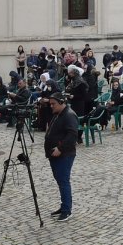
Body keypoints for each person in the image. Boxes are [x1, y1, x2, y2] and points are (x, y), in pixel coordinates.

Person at [43, 91, 79, 222]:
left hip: (64, 155)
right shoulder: (58, 113)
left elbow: (72, 135)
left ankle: (67, 210)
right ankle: (64, 206)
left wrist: (60, 148)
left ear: (62, 102)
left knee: (64, 181)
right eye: (50, 104)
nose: (51, 106)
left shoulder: (69, 115)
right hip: (54, 154)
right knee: (60, 181)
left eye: (54, 104)